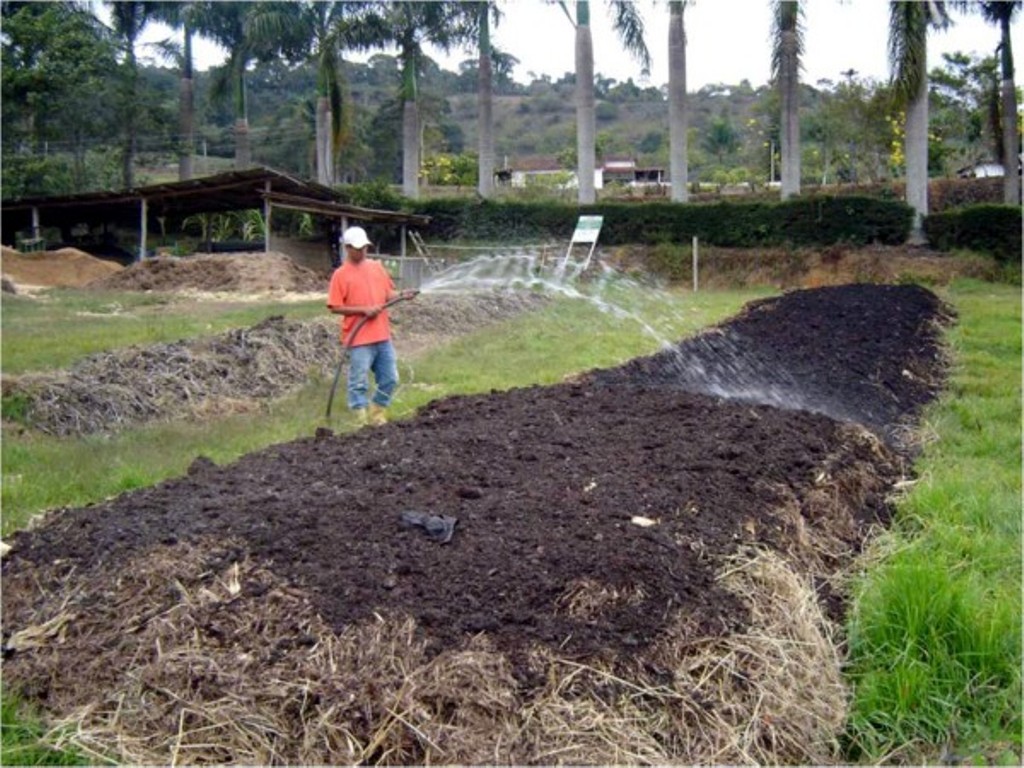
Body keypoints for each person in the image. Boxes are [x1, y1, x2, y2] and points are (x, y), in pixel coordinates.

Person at [327, 226, 415, 426]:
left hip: (382, 335)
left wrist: (402, 295)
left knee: (390, 378)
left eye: (365, 247)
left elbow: (388, 294)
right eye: (358, 248)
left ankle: (377, 413)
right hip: (359, 339)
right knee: (358, 383)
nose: (363, 251)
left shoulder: (376, 267)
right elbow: (335, 306)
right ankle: (359, 420)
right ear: (347, 248)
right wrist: (363, 310)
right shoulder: (340, 275)